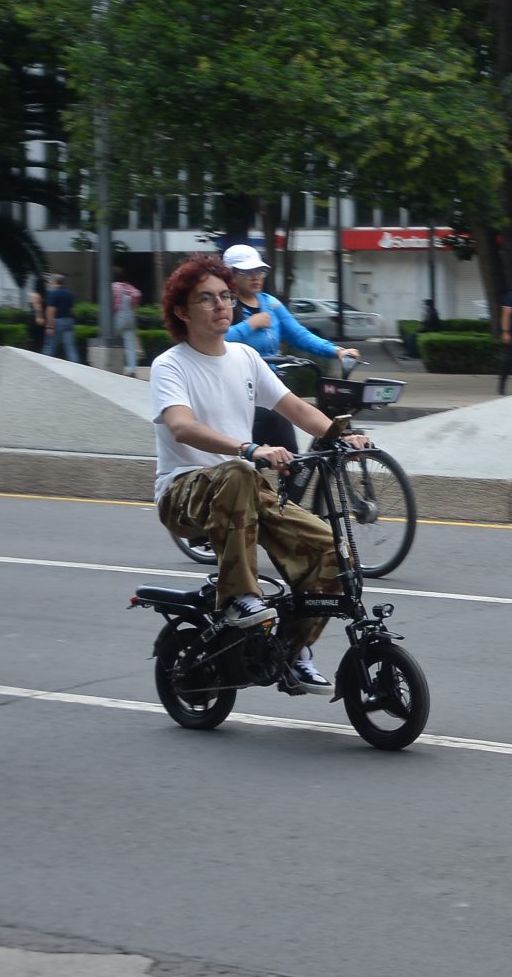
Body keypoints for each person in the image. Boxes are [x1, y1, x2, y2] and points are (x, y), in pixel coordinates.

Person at [149, 254, 370, 691]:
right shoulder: (170, 365)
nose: (221, 305)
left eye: (225, 296)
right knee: (238, 471)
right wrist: (249, 448)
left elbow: (295, 408)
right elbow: (181, 426)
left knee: (331, 550)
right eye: (206, 299)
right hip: (183, 492)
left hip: (242, 488)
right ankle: (239, 597)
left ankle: (289, 651)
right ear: (182, 312)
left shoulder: (246, 357)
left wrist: (342, 435)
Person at [221, 244, 355, 450]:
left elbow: (299, 334)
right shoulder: (225, 304)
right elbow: (214, 337)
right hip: (239, 391)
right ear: (230, 274)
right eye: (247, 272)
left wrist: (336, 351)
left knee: (291, 458)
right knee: (247, 453)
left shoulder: (271, 304)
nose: (256, 277)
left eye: (259, 271)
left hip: (270, 387)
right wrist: (250, 325)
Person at [110, 274, 143, 373]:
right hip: (130, 316)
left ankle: (113, 365)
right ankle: (132, 369)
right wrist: (134, 305)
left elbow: (110, 302)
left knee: (111, 340)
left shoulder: (113, 286)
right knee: (130, 345)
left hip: (119, 316)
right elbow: (137, 294)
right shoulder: (128, 286)